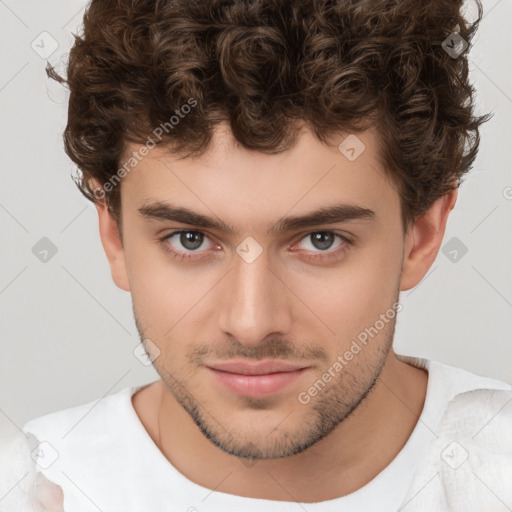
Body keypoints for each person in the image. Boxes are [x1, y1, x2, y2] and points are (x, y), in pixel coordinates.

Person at [10, 0, 512, 510]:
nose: (251, 324)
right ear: (113, 236)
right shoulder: (33, 486)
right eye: (190, 239)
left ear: (422, 235)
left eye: (321, 240)